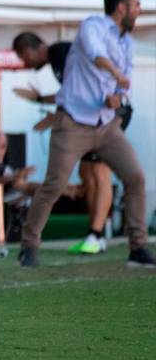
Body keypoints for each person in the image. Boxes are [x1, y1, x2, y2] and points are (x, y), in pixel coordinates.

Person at [18, 0, 151, 269]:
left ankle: (137, 247)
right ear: (120, 8)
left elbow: (123, 87)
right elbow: (95, 55)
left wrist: (117, 96)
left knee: (136, 178)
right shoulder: (92, 26)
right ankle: (29, 246)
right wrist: (114, 74)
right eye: (136, 4)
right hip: (73, 123)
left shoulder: (127, 42)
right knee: (54, 185)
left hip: (106, 124)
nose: (140, 8)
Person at [11, 32, 120, 255]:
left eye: (24, 56)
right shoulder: (56, 59)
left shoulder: (61, 52)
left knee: (100, 172)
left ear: (32, 48)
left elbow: (77, 92)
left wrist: (55, 117)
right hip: (92, 116)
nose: (25, 63)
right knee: (87, 171)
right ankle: (95, 233)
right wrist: (41, 100)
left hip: (107, 113)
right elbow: (69, 93)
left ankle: (97, 235)